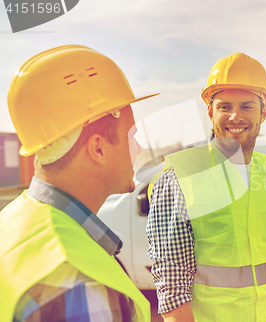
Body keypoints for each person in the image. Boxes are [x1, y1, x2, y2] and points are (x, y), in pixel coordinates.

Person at [0, 45, 158, 321]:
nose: (138, 145)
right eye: (130, 135)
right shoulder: (79, 284)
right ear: (98, 149)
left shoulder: (14, 220)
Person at [147, 52, 266, 321]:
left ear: (263, 113)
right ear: (210, 112)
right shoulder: (182, 178)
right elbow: (173, 288)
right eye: (224, 107)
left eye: (246, 106)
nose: (235, 116)